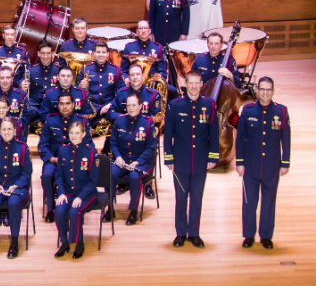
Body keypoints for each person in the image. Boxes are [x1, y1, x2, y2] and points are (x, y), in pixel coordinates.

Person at [165, 71, 219, 248]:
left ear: (201, 84)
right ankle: (180, 233)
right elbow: (168, 136)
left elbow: (214, 133)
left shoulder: (210, 106)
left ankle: (194, 233)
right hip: (180, 161)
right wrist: (169, 158)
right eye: (191, 83)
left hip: (201, 161)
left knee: (196, 198)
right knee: (181, 199)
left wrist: (213, 156)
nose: (194, 87)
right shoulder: (175, 105)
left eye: (197, 83)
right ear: (185, 85)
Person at [235, 77, 290, 249]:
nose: (265, 93)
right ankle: (249, 235)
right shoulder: (248, 110)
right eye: (262, 89)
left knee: (268, 202)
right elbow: (241, 138)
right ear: (257, 91)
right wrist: (239, 161)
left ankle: (266, 236)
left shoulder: (281, 112)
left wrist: (285, 162)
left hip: (271, 166)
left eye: (268, 90)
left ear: (273, 92)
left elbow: (286, 139)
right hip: (250, 165)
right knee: (249, 202)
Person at [38, 94, 93, 223]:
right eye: (62, 103)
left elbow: (90, 145)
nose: (64, 106)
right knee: (46, 176)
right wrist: (52, 159)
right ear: (57, 105)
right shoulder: (50, 121)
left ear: (73, 105)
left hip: (76, 161)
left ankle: (76, 209)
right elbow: (42, 145)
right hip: (55, 160)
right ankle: (51, 209)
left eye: (68, 103)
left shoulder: (82, 122)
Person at [0, 117, 31, 259]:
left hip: (17, 187)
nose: (6, 131)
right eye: (3, 129)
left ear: (15, 131)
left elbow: (26, 173)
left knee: (14, 203)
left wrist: (15, 185)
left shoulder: (23, 148)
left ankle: (14, 243)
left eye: (9, 128)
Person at [54, 120, 101, 260]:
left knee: (74, 212)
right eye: (71, 133)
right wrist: (61, 192)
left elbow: (93, 181)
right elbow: (59, 175)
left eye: (77, 133)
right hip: (68, 192)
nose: (74, 136)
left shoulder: (91, 153)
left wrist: (80, 197)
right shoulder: (63, 151)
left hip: (87, 194)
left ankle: (79, 244)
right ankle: (65, 242)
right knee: (60, 211)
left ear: (84, 134)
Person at [110, 92, 158, 225]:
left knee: (134, 177)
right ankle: (109, 207)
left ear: (140, 106)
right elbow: (113, 143)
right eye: (128, 105)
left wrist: (138, 162)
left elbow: (151, 148)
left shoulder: (148, 123)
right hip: (122, 161)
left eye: (134, 105)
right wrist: (118, 157)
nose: (131, 108)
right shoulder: (119, 121)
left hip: (141, 163)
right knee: (111, 174)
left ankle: (133, 211)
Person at [77, 41, 121, 121]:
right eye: (98, 52)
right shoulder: (85, 69)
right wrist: (80, 87)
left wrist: (110, 105)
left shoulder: (116, 70)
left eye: (103, 52)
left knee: (120, 119)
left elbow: (121, 93)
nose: (101, 54)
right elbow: (77, 91)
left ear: (108, 54)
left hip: (109, 108)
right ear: (94, 53)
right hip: (90, 107)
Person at [0, 66, 30, 133]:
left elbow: (26, 117)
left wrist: (13, 128)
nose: (5, 81)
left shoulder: (21, 95)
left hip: (15, 131)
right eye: (2, 78)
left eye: (8, 78)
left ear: (12, 79)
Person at [25, 42, 60, 125]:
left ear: (53, 54)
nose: (45, 56)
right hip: (35, 106)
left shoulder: (59, 70)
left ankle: (39, 124)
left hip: (52, 106)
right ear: (38, 54)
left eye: (48, 53)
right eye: (43, 53)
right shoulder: (31, 70)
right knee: (27, 113)